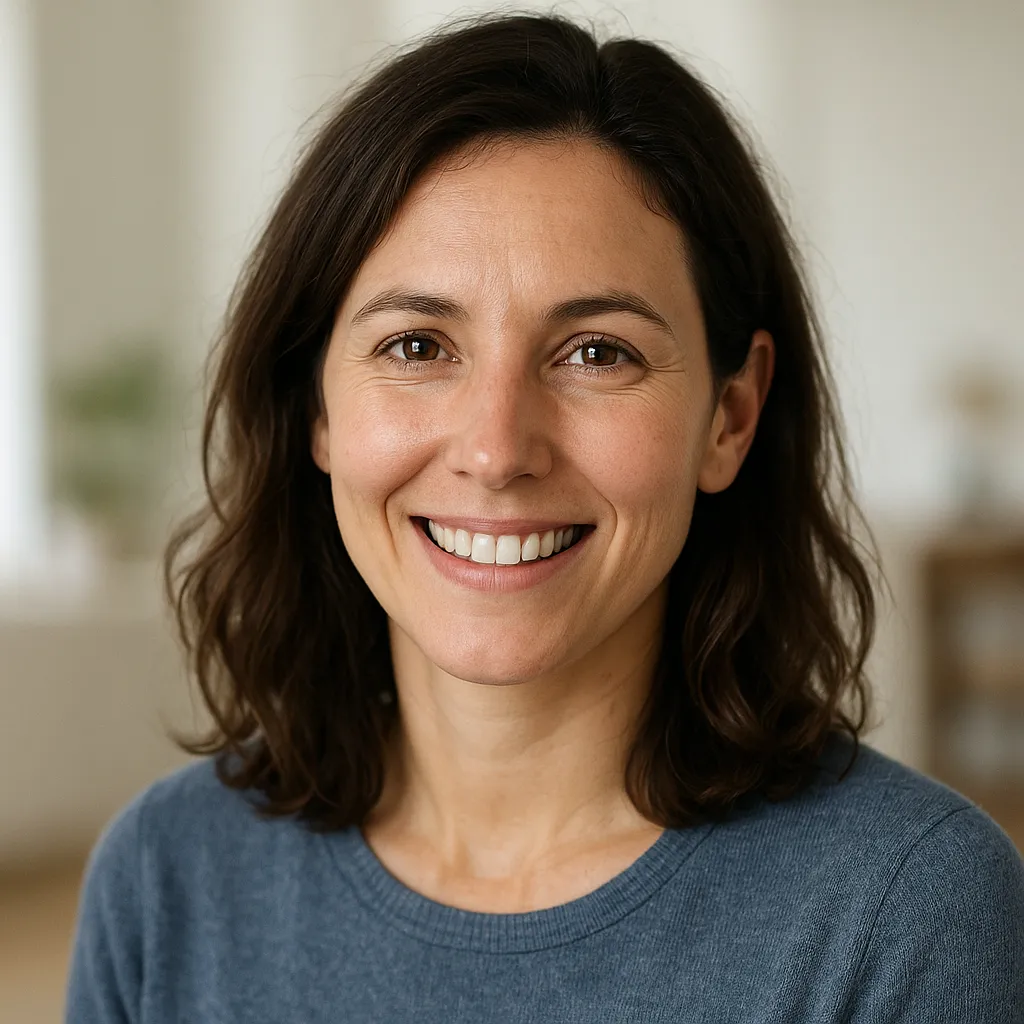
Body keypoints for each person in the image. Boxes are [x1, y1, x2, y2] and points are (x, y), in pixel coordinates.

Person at [65, 12, 1023, 1023]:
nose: (495, 448)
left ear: (729, 417)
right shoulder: (163, 882)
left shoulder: (908, 913)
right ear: (316, 408)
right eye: (417, 346)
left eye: (597, 352)